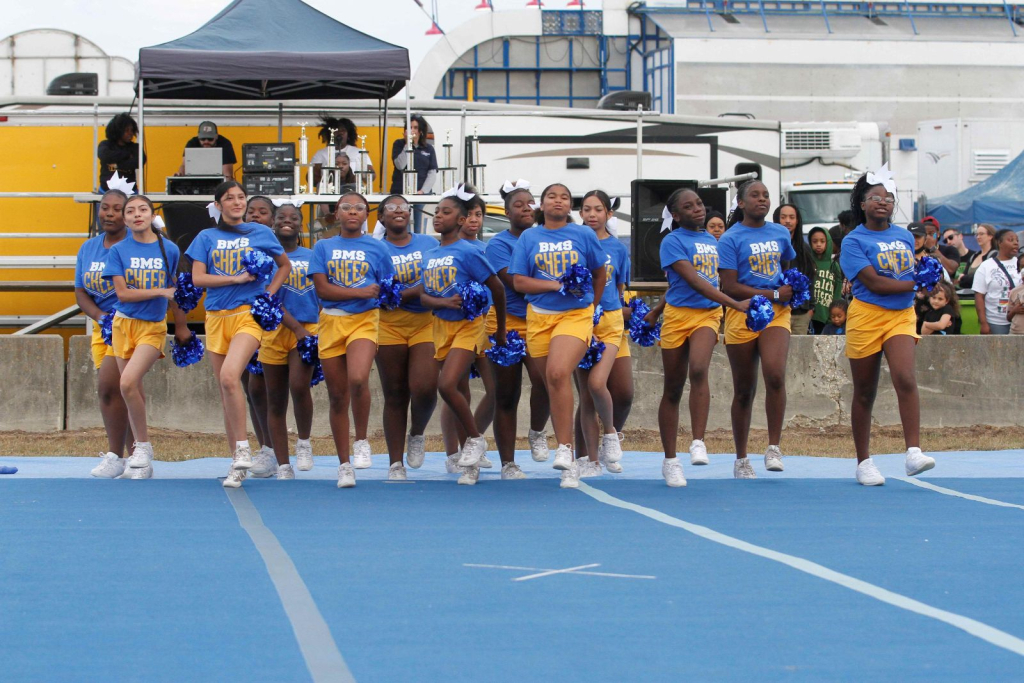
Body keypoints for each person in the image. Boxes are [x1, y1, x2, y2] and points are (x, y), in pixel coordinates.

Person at [186, 181, 290, 488]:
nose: (236, 202)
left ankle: (244, 447)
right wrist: (235, 277)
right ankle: (237, 463)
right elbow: (198, 277)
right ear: (218, 205)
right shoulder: (206, 236)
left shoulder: (261, 233)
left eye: (240, 197)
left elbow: (283, 266)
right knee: (225, 389)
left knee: (231, 376)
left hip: (248, 314)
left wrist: (268, 295)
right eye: (229, 198)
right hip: (216, 318)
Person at [645, 188, 749, 487]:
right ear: (676, 215)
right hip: (678, 317)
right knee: (673, 388)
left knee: (700, 369)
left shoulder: (713, 241)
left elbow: (712, 284)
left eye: (699, 204)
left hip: (707, 314)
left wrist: (725, 303)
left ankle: (698, 441)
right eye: (688, 207)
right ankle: (670, 460)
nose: (697, 209)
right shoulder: (671, 242)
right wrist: (735, 303)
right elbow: (690, 281)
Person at [839, 171, 935, 486]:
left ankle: (913, 452)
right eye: (876, 198)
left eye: (889, 199)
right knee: (865, 392)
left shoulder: (905, 236)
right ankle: (863, 461)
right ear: (862, 203)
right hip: (867, 315)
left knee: (905, 378)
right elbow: (875, 283)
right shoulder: (854, 240)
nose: (883, 203)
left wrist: (919, 284)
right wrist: (918, 283)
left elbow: (905, 274)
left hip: (901, 314)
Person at [510, 183, 607, 489]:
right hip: (538, 317)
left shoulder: (583, 235)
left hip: (575, 315)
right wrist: (555, 285)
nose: (558, 201)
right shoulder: (530, 237)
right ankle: (567, 453)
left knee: (557, 372)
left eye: (564, 197)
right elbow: (520, 282)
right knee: (550, 383)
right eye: (552, 196)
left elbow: (599, 272)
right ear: (541, 204)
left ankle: (566, 451)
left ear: (570, 206)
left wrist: (592, 307)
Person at [419, 192, 506, 486]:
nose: (438, 216)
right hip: (441, 328)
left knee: (446, 385)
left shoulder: (469, 252)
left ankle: (475, 439)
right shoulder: (429, 254)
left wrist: (502, 330)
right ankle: (470, 467)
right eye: (436, 212)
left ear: (459, 220)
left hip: (470, 327)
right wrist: (441, 303)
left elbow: (497, 288)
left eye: (445, 212)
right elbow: (424, 295)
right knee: (460, 393)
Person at [309, 192, 394, 488]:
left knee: (358, 378)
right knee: (336, 395)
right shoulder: (323, 246)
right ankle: (344, 464)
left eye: (359, 208)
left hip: (364, 321)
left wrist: (372, 295)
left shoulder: (377, 247)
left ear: (367, 214)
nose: (353, 212)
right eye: (346, 207)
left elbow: (385, 287)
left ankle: (361, 441)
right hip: (331, 321)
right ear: (337, 213)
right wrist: (360, 292)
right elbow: (323, 290)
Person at [103, 194, 190, 479]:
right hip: (122, 325)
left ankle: (143, 447)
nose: (136, 215)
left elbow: (178, 292)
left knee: (126, 382)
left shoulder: (169, 249)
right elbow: (123, 294)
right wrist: (160, 292)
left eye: (142, 210)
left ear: (152, 215)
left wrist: (181, 326)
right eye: (130, 211)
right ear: (125, 218)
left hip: (152, 327)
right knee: (133, 389)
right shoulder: (118, 250)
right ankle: (140, 462)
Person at [719, 179, 795, 479]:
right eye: (754, 195)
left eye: (766, 195)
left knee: (775, 374)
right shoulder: (730, 238)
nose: (762, 200)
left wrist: (788, 292)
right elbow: (730, 286)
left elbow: (787, 269)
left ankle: (774, 447)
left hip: (777, 315)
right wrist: (773, 294)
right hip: (743, 312)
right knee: (744, 389)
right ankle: (741, 458)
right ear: (740, 203)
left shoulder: (779, 232)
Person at [485, 184, 552, 478]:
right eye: (519, 204)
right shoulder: (498, 244)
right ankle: (508, 463)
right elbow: (513, 282)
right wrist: (552, 284)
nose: (526, 208)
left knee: (546, 380)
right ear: (508, 212)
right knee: (506, 395)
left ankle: (537, 431)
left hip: (541, 320)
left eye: (530, 203)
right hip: (508, 323)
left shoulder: (546, 238)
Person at [376, 194, 440, 479]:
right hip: (387, 324)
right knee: (395, 393)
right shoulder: (375, 249)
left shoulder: (429, 243)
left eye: (404, 207)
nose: (399, 211)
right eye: (391, 208)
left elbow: (441, 277)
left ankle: (417, 433)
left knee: (425, 387)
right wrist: (414, 291)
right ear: (381, 217)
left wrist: (410, 293)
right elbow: (375, 292)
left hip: (426, 322)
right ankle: (394, 463)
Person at [256, 202, 320, 480]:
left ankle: (304, 442)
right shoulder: (266, 257)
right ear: (273, 222)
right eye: (281, 216)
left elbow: (324, 291)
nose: (287, 221)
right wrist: (292, 326)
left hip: (307, 331)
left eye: (293, 217)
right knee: (275, 399)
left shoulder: (314, 254)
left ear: (301, 224)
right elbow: (267, 297)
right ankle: (283, 464)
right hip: (275, 331)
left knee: (299, 385)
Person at [574, 190, 633, 478]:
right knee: (588, 394)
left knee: (617, 390)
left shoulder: (619, 248)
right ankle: (589, 459)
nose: (593, 214)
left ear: (609, 214)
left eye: (599, 209)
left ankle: (611, 434)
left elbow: (619, 290)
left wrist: (621, 313)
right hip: (580, 321)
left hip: (610, 322)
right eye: (587, 209)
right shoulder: (573, 244)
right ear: (581, 214)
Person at [438, 192, 497, 468]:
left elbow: (498, 287)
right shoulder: (440, 249)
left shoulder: (486, 249)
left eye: (479, 215)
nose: (474, 220)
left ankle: (475, 441)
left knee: (496, 389)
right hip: (453, 326)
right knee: (456, 389)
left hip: (487, 325)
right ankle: (455, 452)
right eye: (470, 214)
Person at [79, 190, 134, 477]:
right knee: (121, 392)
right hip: (103, 327)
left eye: (116, 209)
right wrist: (101, 317)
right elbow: (80, 292)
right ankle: (137, 455)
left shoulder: (136, 246)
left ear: (127, 214)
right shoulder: (88, 248)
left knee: (110, 388)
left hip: (131, 325)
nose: (109, 213)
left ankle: (115, 455)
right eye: (105, 208)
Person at [240, 196, 275, 470]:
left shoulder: (273, 248)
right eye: (251, 211)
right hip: (235, 321)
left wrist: (268, 300)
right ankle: (264, 447)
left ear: (271, 219)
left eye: (262, 212)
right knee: (249, 390)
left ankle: (274, 448)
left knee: (261, 388)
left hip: (267, 323)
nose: (255, 215)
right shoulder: (234, 245)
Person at [389, 114, 438, 231]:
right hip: (401, 194)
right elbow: (400, 165)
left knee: (419, 228)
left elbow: (432, 173)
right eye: (410, 127)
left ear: (421, 131)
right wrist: (407, 145)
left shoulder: (428, 149)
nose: (412, 130)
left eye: (415, 128)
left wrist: (423, 191)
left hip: (421, 195)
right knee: (402, 227)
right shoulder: (398, 144)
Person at [773, 203, 815, 335]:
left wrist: (811, 308)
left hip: (800, 314)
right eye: (783, 217)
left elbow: (811, 278)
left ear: (797, 221)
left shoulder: (805, 249)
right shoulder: (772, 246)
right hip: (776, 310)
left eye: (792, 217)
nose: (787, 221)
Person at [972, 229, 1022, 335]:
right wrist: (984, 323)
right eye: (1011, 240)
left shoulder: (1021, 263)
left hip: (1020, 320)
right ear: (999, 242)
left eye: (1017, 240)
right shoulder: (986, 266)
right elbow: (979, 296)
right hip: (996, 322)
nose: (1016, 243)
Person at [808, 226, 844, 334]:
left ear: (828, 242)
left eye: (822, 241)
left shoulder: (834, 265)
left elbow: (837, 291)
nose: (818, 244)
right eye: (815, 241)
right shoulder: (809, 263)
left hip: (829, 314)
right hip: (812, 314)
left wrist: (835, 310)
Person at [97, 114, 144, 191]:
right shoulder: (105, 144)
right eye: (127, 130)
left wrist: (115, 162)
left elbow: (140, 161)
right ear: (117, 131)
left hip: (130, 192)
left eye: (132, 130)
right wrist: (127, 155)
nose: (131, 133)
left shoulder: (135, 147)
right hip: (105, 192)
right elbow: (104, 155)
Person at [959, 223, 997, 289]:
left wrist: (965, 278)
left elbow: (985, 277)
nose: (978, 237)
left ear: (990, 236)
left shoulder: (995, 255)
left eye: (981, 234)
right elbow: (961, 282)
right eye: (977, 234)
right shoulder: (973, 256)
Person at [1006, 253, 1024, 335]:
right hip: (1015, 334)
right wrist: (1014, 310)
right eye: (1022, 267)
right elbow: (1008, 317)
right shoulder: (1014, 292)